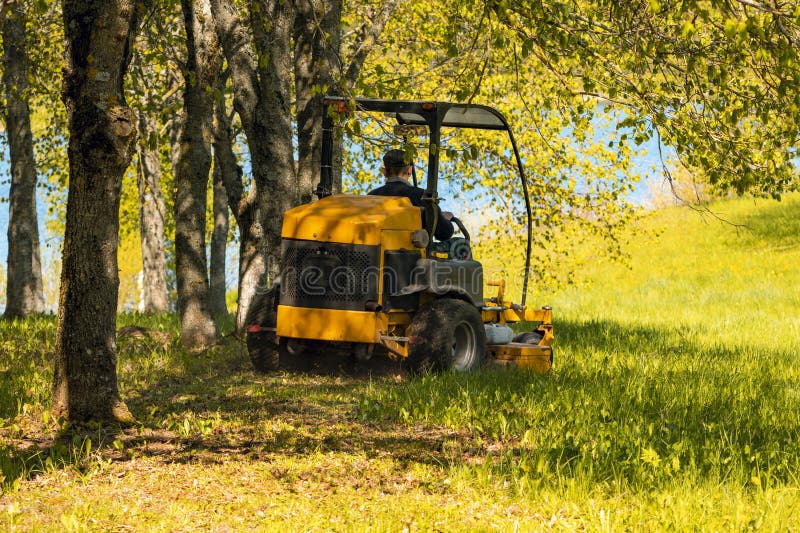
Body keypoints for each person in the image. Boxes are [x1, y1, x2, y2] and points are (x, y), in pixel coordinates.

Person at [368, 149, 454, 241]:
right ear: (409, 170)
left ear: (384, 172)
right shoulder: (421, 196)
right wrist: (444, 219)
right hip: (412, 253)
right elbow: (444, 233)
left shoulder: (371, 197)